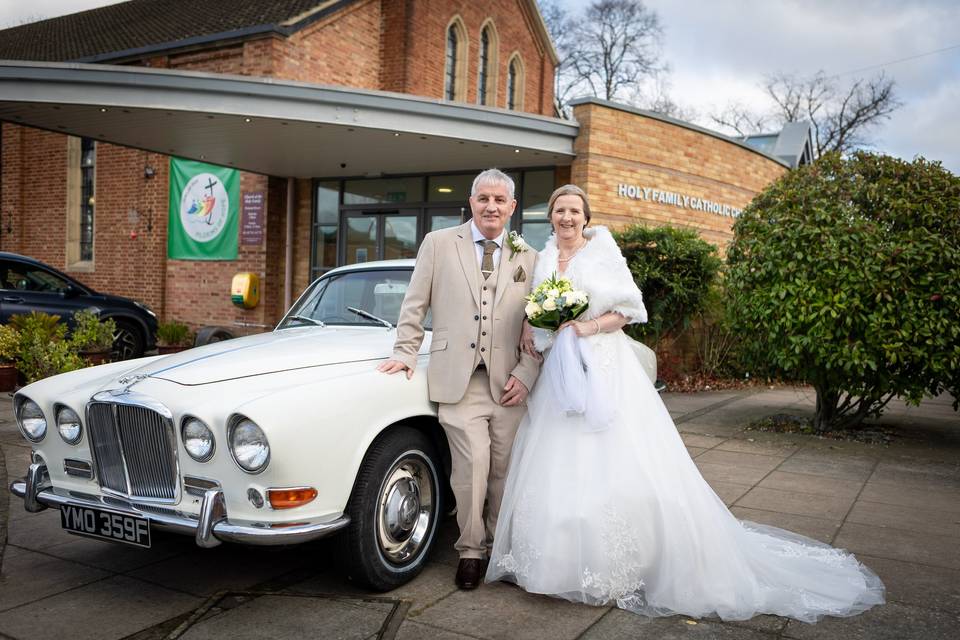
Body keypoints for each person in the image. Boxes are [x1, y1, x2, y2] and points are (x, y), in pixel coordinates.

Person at [486, 184, 885, 623]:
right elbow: (535, 308)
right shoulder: (542, 258)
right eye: (559, 210)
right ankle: (551, 561)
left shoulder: (604, 253)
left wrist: (590, 327)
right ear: (552, 217)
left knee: (618, 458)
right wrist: (530, 323)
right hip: (558, 379)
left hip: (603, 367)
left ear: (586, 216)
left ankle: (620, 563)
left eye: (573, 211)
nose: (565, 217)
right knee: (555, 460)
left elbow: (630, 310)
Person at [378, 168, 541, 590]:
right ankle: (470, 551)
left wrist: (526, 374)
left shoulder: (529, 256)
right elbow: (414, 305)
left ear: (512, 208)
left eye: (499, 200)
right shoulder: (438, 244)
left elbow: (539, 327)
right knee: (471, 469)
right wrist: (404, 353)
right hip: (459, 379)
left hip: (510, 383)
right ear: (471, 203)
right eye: (483, 198)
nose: (491, 206)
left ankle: (499, 549)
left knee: (505, 471)